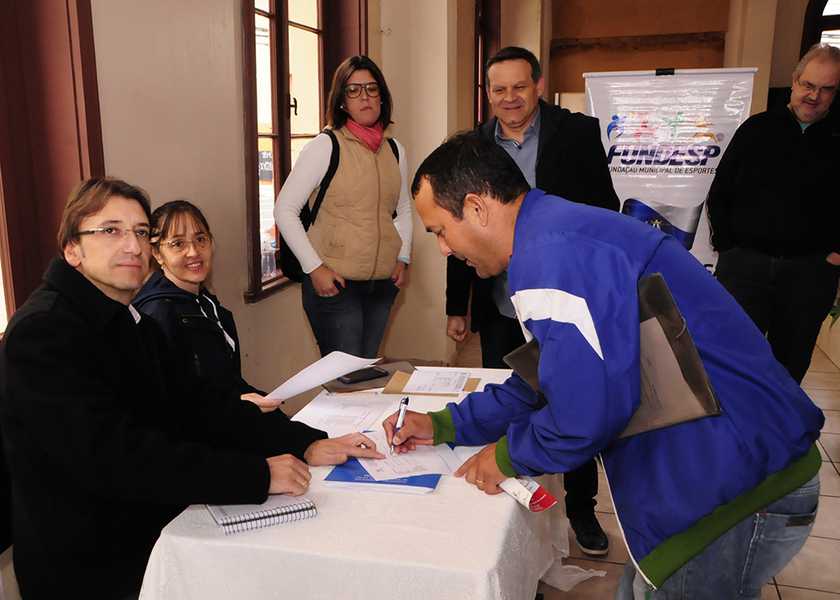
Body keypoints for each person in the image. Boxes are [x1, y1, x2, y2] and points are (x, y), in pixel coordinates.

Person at [388, 133, 823, 599]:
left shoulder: (551, 259)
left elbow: (584, 415)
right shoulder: (552, 235)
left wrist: (505, 457)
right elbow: (542, 380)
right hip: (719, 470)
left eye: (439, 230)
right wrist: (445, 423)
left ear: (476, 208)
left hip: (737, 486)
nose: (444, 249)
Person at [0, 178, 383, 599]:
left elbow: (196, 404)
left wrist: (304, 442)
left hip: (145, 534)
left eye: (141, 232)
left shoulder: (123, 317)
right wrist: (254, 475)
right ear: (72, 247)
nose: (132, 246)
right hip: (87, 567)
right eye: (110, 230)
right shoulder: (44, 331)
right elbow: (114, 457)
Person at [447, 46, 619, 556]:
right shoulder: (472, 146)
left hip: (564, 303)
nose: (509, 98)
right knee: (513, 398)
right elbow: (459, 233)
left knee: (573, 402)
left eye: (518, 87)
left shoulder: (578, 134)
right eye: (498, 89)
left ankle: (582, 510)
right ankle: (517, 506)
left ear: (537, 85)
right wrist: (457, 306)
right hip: (502, 305)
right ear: (488, 94)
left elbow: (602, 213)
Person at [706, 43, 840, 384]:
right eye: (809, 85)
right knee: (734, 358)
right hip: (745, 267)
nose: (814, 96)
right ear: (794, 82)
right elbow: (721, 191)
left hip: (809, 274)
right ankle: (737, 432)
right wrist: (728, 246)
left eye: (826, 89)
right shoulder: (756, 129)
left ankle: (781, 434)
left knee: (791, 364)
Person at [275, 55, 412, 358]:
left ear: (382, 96)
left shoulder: (395, 149)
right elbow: (284, 210)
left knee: (366, 370)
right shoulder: (325, 146)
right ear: (341, 100)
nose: (364, 97)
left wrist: (403, 256)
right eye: (353, 90)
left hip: (382, 284)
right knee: (345, 380)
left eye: (372, 88)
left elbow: (402, 209)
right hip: (335, 283)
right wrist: (315, 268)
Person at [135, 200, 279, 413]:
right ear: (157, 253)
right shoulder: (158, 314)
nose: (193, 252)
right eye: (177, 244)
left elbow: (225, 382)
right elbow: (176, 405)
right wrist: (242, 405)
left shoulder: (205, 302)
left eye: (200, 239)